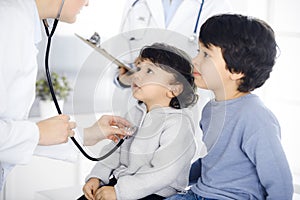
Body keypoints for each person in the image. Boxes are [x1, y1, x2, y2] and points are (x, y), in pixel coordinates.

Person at [0, 0, 131, 193]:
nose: (87, 3)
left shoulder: (19, 24)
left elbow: (11, 132)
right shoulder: (7, 24)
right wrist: (38, 133)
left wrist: (87, 134)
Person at [166, 14, 294, 199]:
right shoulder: (210, 110)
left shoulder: (255, 116)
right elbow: (213, 162)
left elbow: (279, 181)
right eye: (198, 51)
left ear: (236, 71)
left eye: (206, 54)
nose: (194, 60)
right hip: (198, 194)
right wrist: (174, 179)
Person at [114, 0, 233, 159]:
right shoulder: (135, 4)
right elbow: (121, 60)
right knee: (127, 157)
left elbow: (221, 68)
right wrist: (125, 78)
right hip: (137, 105)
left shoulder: (214, 6)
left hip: (187, 106)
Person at [80, 43, 198, 200]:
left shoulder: (178, 124)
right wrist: (97, 177)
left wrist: (120, 192)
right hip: (124, 184)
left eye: (149, 71)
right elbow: (115, 150)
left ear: (174, 89)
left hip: (157, 193)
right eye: (139, 68)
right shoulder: (135, 113)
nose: (136, 75)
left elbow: (164, 173)